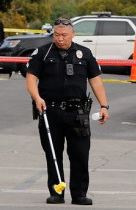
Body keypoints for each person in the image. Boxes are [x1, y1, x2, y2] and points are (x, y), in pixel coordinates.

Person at [25, 17, 110, 205]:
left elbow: (95, 80)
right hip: (50, 111)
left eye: (64, 35)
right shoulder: (43, 53)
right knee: (53, 154)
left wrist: (104, 105)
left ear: (73, 34)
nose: (60, 38)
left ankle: (79, 194)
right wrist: (37, 98)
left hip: (77, 113)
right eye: (56, 35)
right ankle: (57, 192)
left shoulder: (84, 53)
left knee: (80, 154)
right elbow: (31, 78)